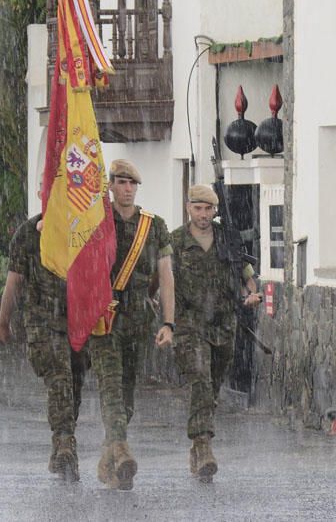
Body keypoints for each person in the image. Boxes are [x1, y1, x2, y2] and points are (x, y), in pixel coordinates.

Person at [170, 184, 261, 482]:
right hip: (189, 324)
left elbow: (245, 273)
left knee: (212, 386)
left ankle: (197, 448)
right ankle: (203, 444)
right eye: (198, 208)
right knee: (199, 380)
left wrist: (252, 294)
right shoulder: (176, 241)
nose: (203, 215)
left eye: (208, 209)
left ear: (215, 210)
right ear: (188, 208)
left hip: (223, 323)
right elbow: (162, 277)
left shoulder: (227, 238)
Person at [0, 213, 89, 482]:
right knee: (60, 378)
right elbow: (14, 280)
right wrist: (3, 322)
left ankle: (63, 443)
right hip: (42, 320)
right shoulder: (27, 233)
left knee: (74, 385)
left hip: (79, 320)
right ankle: (65, 443)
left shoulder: (87, 224)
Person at [105, 159, 176, 424]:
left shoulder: (154, 226)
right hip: (104, 316)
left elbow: (166, 276)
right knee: (110, 381)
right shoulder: (97, 221)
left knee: (126, 384)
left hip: (137, 320)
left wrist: (168, 323)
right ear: (110, 186)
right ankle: (117, 442)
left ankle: (114, 443)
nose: (127, 189)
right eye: (121, 183)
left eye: (132, 184)